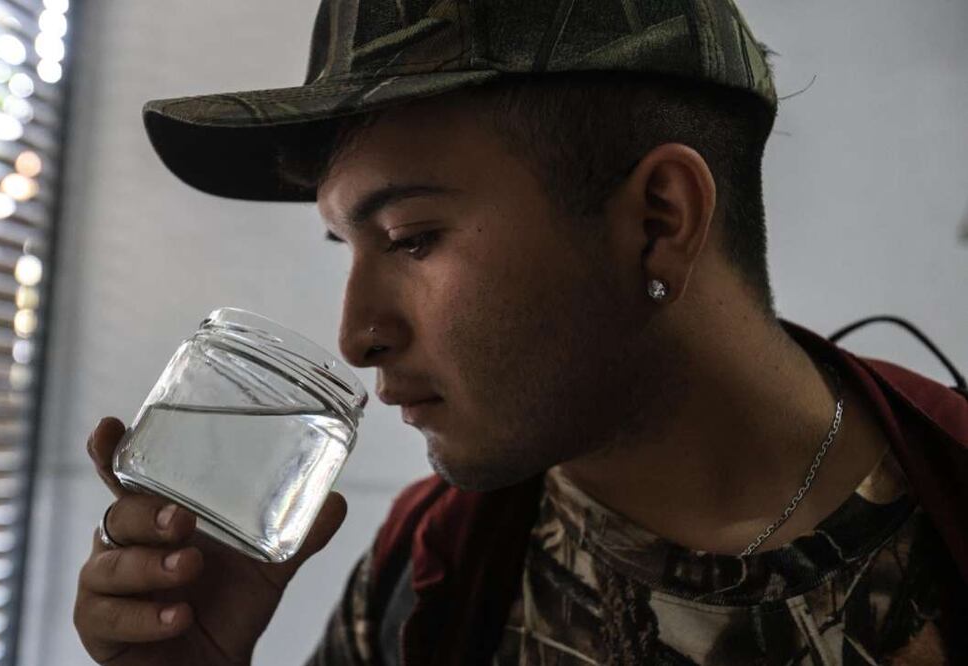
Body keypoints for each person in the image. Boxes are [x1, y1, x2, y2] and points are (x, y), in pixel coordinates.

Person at [72, 0, 968, 664]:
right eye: (346, 247)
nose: (356, 335)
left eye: (413, 238)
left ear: (659, 219)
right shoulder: (428, 576)